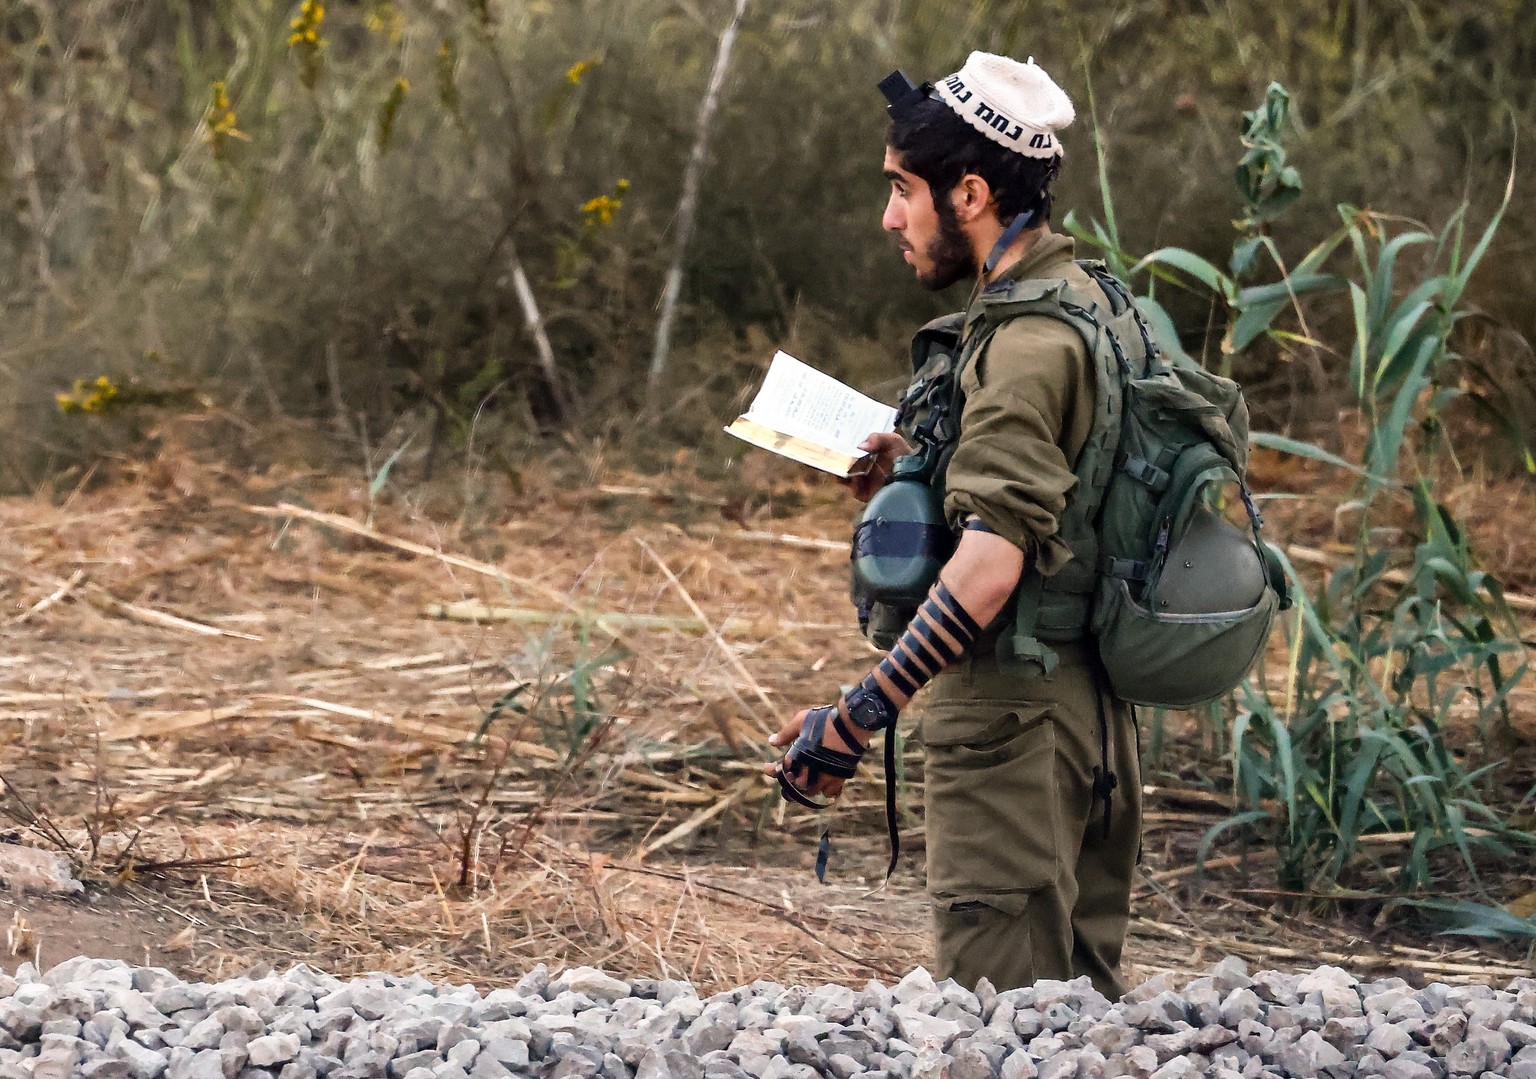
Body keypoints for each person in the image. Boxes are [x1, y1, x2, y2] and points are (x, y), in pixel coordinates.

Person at [764, 51, 1141, 1000]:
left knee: (1002, 1030)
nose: (891, 217)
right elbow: (1076, 496)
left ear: (968, 192)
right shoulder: (1095, 305)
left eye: (902, 190)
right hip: (1089, 719)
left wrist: (854, 720)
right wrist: (923, 469)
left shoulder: (1023, 345)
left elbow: (989, 571)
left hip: (1011, 725)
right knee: (1071, 1035)